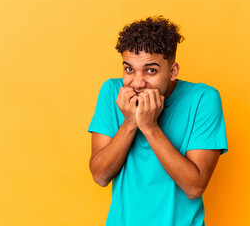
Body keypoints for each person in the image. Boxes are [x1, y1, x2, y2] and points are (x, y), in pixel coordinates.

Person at [87, 15, 228, 226]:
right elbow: (100, 176)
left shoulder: (203, 99)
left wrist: (150, 127)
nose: (137, 82)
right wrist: (130, 123)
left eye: (150, 71)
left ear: (173, 71)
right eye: (129, 69)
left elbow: (194, 187)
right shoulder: (112, 92)